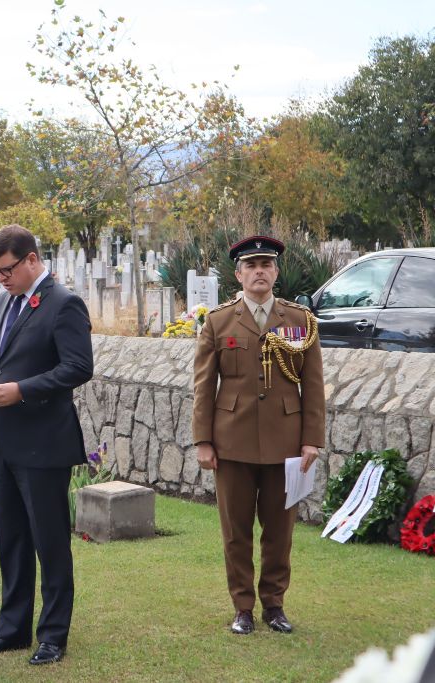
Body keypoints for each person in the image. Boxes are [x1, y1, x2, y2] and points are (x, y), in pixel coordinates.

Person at [0, 224, 93, 665]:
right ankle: (11, 630)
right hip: (3, 442)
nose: (1, 279)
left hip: (44, 442)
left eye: (7, 270)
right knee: (12, 542)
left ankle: (53, 636)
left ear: (32, 260)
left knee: (50, 544)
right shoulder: (5, 301)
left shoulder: (64, 303)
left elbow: (78, 367)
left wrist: (22, 390)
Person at [193, 235, 325, 635]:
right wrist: (203, 441)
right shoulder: (218, 321)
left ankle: (274, 604)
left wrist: (311, 439)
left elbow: (313, 386)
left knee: (280, 532)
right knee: (236, 533)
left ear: (276, 272)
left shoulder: (300, 321)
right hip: (232, 442)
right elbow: (204, 387)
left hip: (286, 442)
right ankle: (243, 608)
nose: (259, 272)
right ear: (239, 275)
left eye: (266, 265)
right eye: (251, 266)